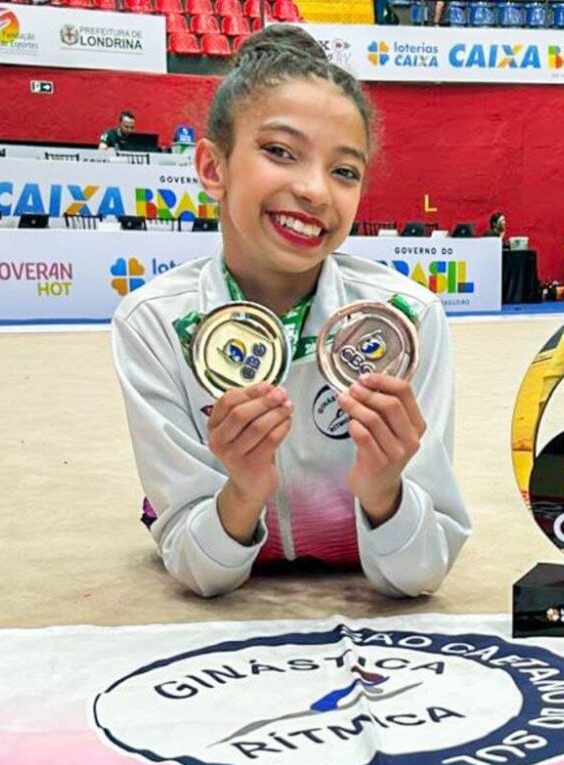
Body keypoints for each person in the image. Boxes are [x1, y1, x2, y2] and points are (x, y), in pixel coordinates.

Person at [111, 25, 471, 599]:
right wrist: (243, 490)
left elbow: (420, 575)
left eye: (344, 170)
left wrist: (385, 492)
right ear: (212, 167)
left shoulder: (409, 319)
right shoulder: (154, 324)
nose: (315, 191)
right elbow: (201, 572)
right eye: (280, 152)